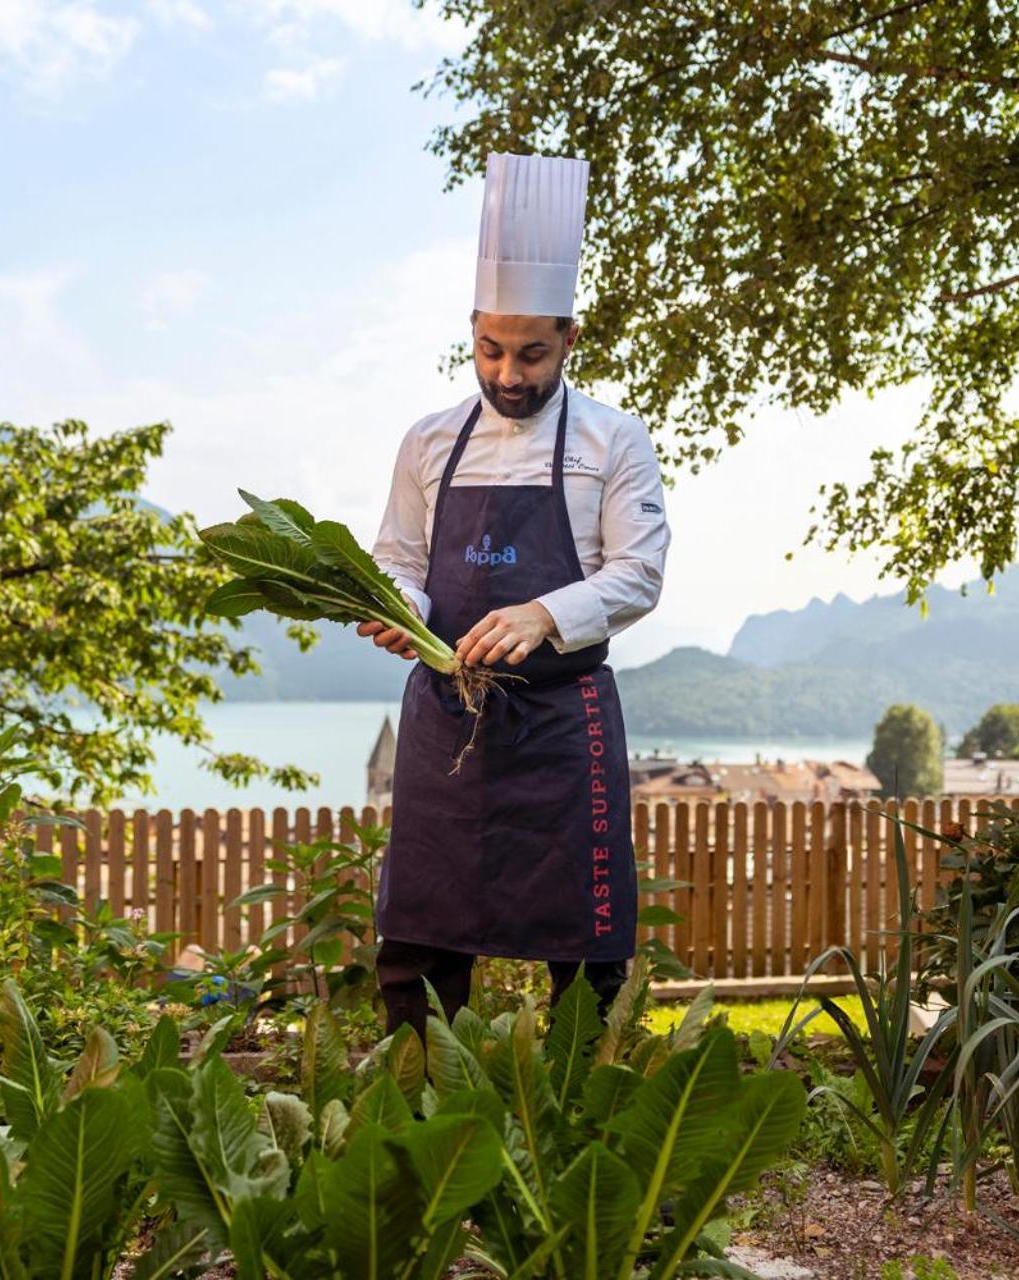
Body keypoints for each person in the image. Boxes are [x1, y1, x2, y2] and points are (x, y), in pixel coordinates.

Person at [362, 153, 671, 1040]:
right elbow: (400, 561)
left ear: (571, 339)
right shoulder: (427, 442)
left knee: (587, 949)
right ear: (472, 331)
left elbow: (638, 572)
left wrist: (543, 616)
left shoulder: (616, 440)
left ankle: (586, 1111)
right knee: (419, 938)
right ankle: (419, 1105)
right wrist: (401, 610)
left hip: (560, 721)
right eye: (490, 349)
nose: (507, 373)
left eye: (532, 353)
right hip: (446, 720)